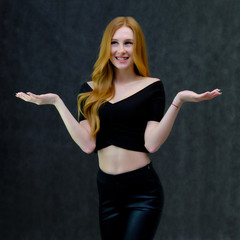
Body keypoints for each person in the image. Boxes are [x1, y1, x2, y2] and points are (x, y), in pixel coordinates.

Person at [16, 16, 221, 240]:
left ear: (137, 47)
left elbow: (152, 144)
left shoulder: (152, 87)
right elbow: (87, 144)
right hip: (107, 191)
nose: (121, 50)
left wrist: (178, 101)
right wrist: (56, 102)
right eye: (115, 42)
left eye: (128, 43)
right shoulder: (89, 90)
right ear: (107, 47)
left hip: (143, 191)